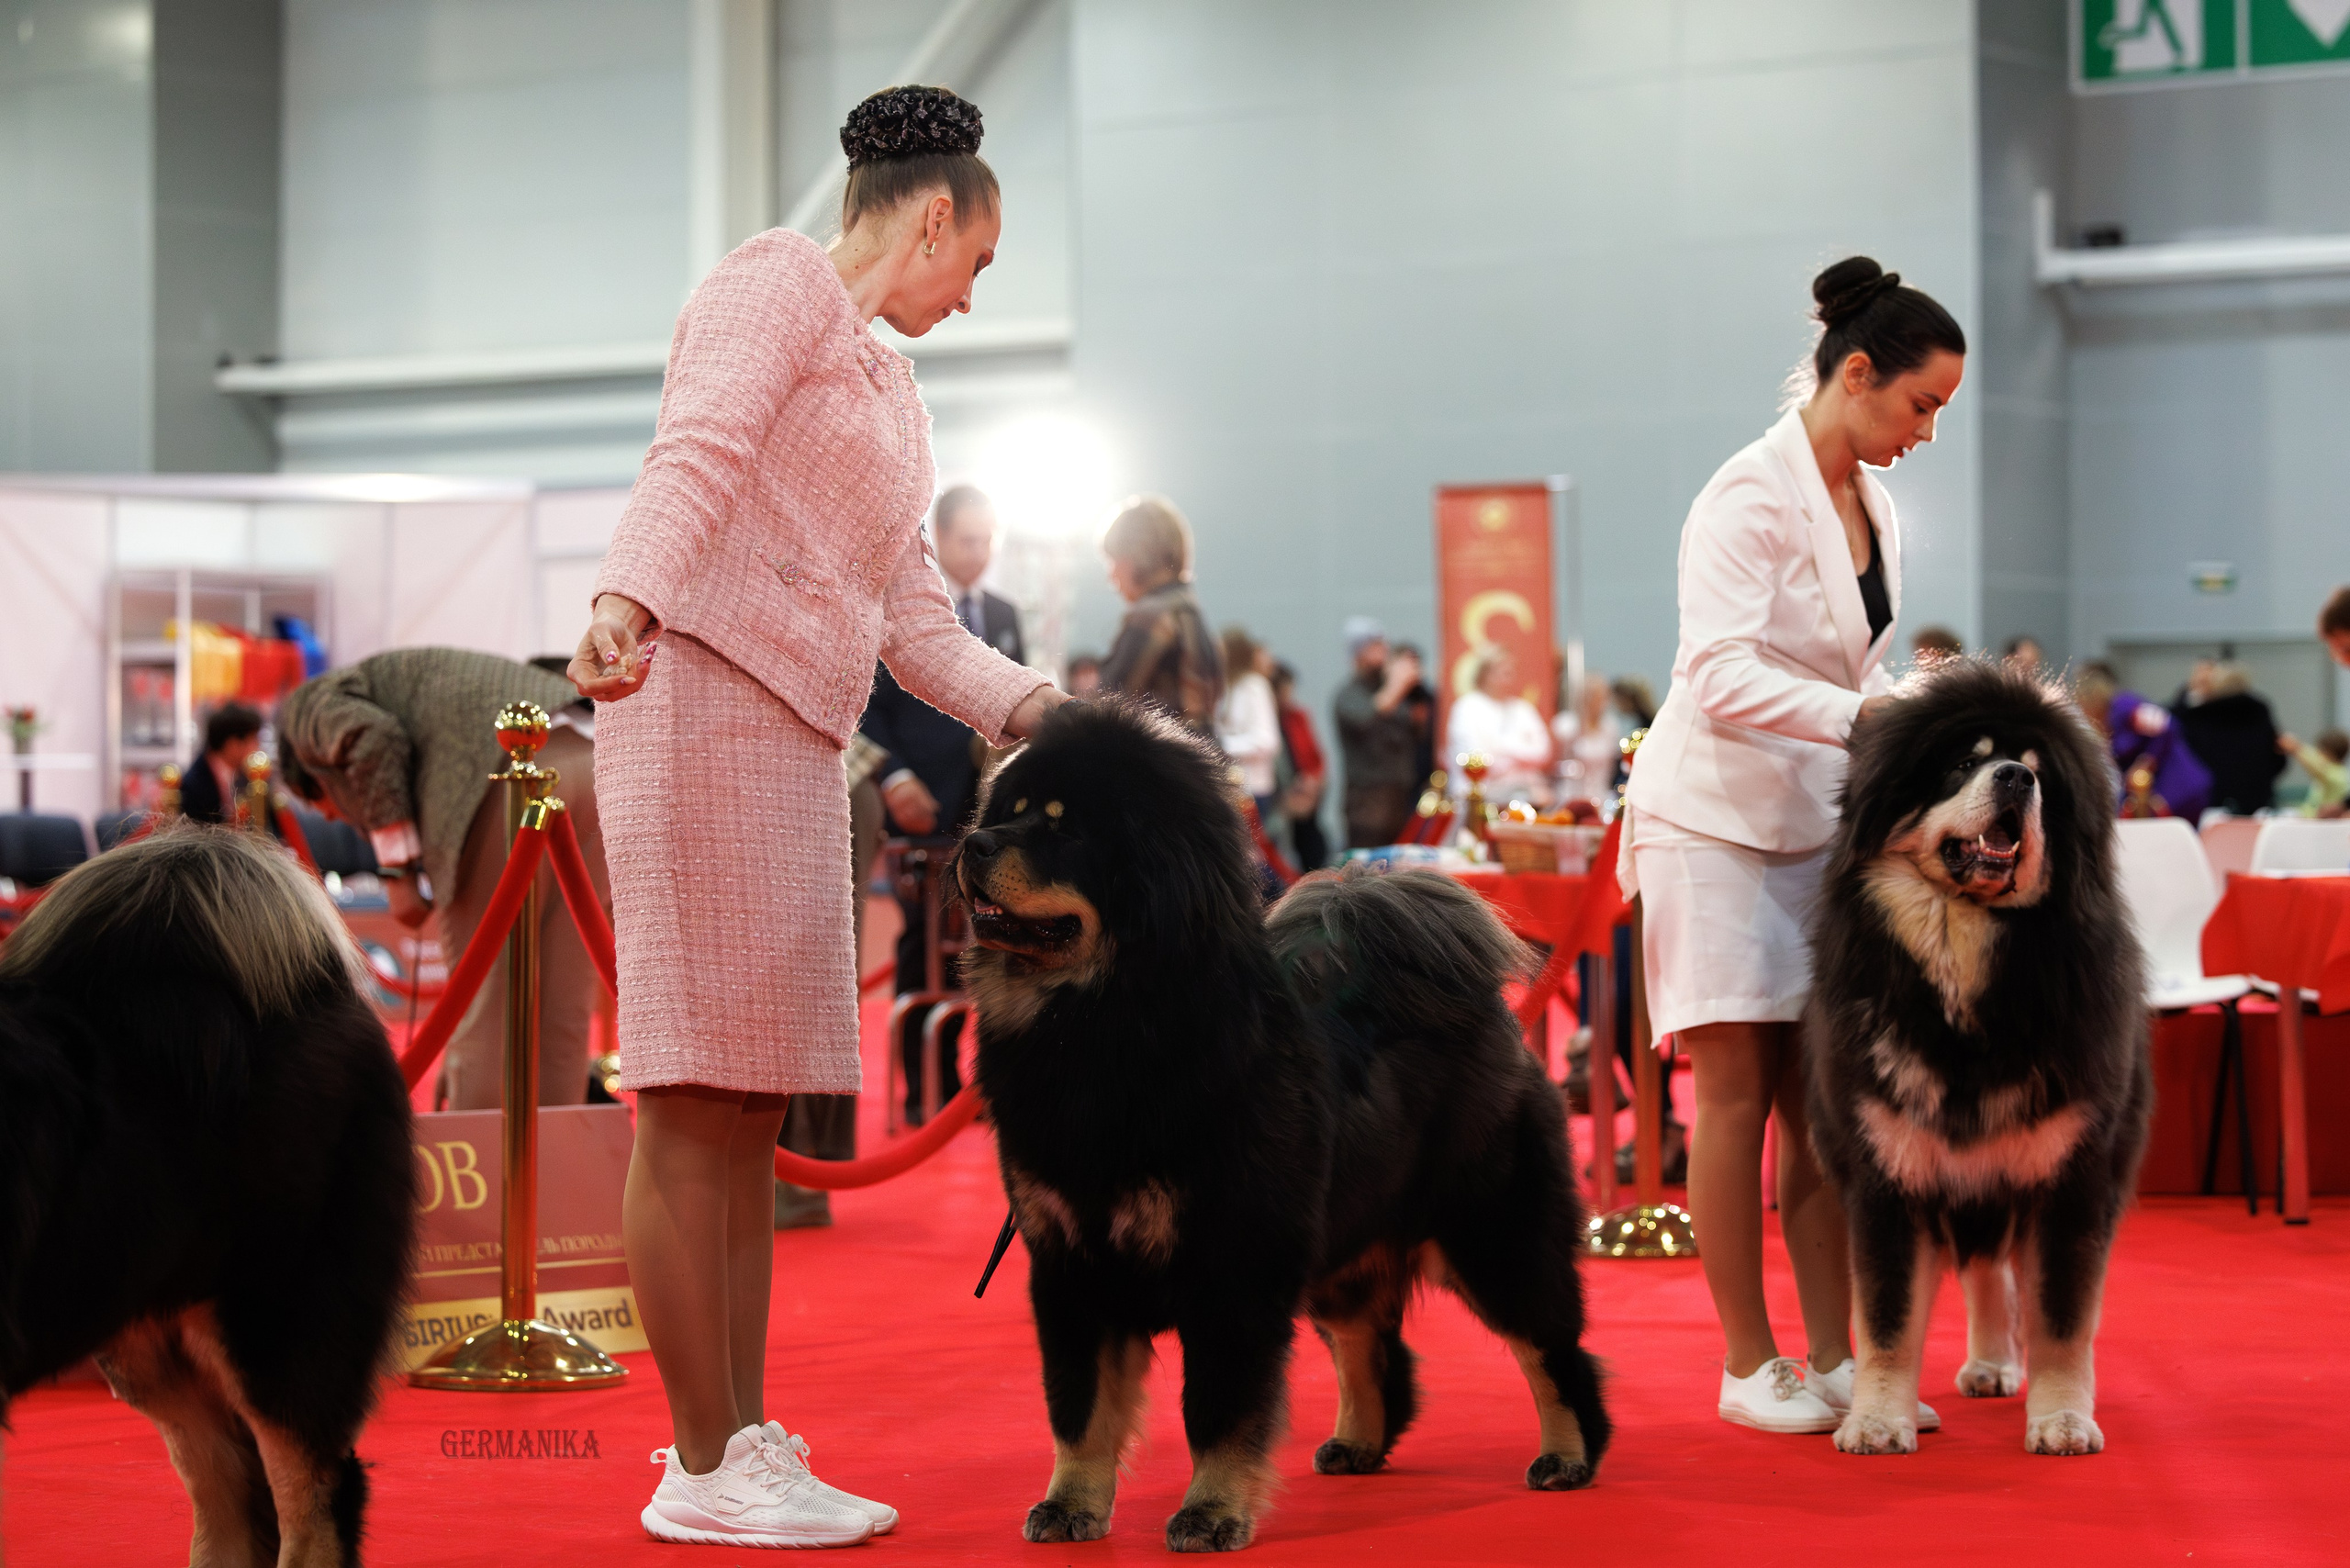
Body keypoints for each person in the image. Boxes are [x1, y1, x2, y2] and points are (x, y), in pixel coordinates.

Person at [567, 85, 1064, 1548]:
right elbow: (697, 451)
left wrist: (1054, 716)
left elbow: (920, 625)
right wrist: (621, 596)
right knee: (689, 1099)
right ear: (932, 216)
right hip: (695, 701)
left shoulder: (894, 390)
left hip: (794, 746)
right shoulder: (772, 281)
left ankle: (737, 1445)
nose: (974, 296)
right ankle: (703, 1458)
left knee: (743, 1106)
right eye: (978, 261)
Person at [1625, 256, 1964, 1435]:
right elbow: (1716, 673)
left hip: (1808, 824)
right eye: (1920, 404)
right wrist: (1864, 715)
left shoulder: (1873, 504)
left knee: (1819, 1104)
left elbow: (1848, 669)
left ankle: (1837, 1356)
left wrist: (1890, 712)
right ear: (1856, 374)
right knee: (1729, 1092)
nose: (1927, 432)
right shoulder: (1745, 495)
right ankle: (1745, 1361)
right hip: (1707, 822)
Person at [277, 650, 603, 1112]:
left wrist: (398, 870)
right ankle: (555, 1165)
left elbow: (373, 741)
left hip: (501, 774)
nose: (345, 821)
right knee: (564, 1002)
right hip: (593, 764)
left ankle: (484, 1168)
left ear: (317, 776)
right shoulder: (392, 680)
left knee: (489, 1002)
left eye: (331, 810)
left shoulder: (305, 711)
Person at [857, 483, 1025, 1126]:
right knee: (921, 946)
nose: (979, 554)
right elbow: (867, 709)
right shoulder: (893, 610)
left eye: (988, 542)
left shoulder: (1004, 613)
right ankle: (921, 1088)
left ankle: (969, 1084)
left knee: (985, 943)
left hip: (986, 812)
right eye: (967, 541)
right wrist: (894, 778)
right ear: (939, 538)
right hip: (916, 807)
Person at [1097, 495, 1221, 733]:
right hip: (1197, 759)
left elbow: (1105, 707)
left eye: (1112, 561)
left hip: (1159, 763)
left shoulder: (1152, 614)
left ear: (1133, 558)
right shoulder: (1188, 609)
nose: (1111, 577)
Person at [2076, 662, 2211, 821]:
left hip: (2181, 790)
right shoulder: (2107, 723)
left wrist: (2146, 763)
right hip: (2159, 794)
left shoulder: (2124, 707)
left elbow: (2167, 725)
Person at [1334, 618, 1422, 849]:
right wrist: (1396, 684)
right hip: (1367, 804)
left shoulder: (1394, 694)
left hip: (1400, 798)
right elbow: (1367, 717)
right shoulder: (1349, 695)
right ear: (1358, 653)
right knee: (1365, 872)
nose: (1383, 650)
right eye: (1374, 645)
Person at [1443, 643, 1552, 806]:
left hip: (1522, 796)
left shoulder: (1522, 708)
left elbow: (1542, 751)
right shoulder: (1466, 707)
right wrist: (1518, 760)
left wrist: (1502, 748)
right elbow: (1474, 759)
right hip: (1477, 800)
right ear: (1485, 672)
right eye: (1501, 668)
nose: (1507, 674)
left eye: (1510, 669)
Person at [2176, 660, 2284, 815]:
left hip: (2213, 799)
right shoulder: (2259, 711)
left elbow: (2187, 759)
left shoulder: (2197, 717)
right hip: (2257, 799)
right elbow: (2278, 757)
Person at [1215, 626, 1282, 826]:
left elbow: (1267, 741)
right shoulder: (1226, 687)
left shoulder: (1254, 686)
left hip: (1253, 787)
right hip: (1229, 785)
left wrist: (1221, 745)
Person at [1270, 660, 1329, 870]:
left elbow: (1316, 757)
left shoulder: (1297, 717)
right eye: (1284, 691)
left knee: (1316, 849)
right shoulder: (1265, 723)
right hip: (1279, 800)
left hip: (1306, 796)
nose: (1289, 697)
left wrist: (1312, 782)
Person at [176, 702, 263, 825]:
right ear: (232, 744)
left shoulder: (249, 776)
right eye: (253, 740)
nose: (257, 747)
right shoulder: (194, 784)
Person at [1553, 672, 1623, 801]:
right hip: (1570, 795)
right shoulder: (1566, 724)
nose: (1598, 702)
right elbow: (1556, 764)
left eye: (1601, 697)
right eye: (1592, 696)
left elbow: (1613, 766)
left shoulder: (1611, 726)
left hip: (1601, 795)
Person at [2279, 728, 2349, 817]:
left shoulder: (2337, 775)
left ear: (2328, 752)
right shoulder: (2335, 772)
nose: (2317, 755)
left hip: (2324, 823)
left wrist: (2296, 748)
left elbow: (2316, 767)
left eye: (2319, 751)